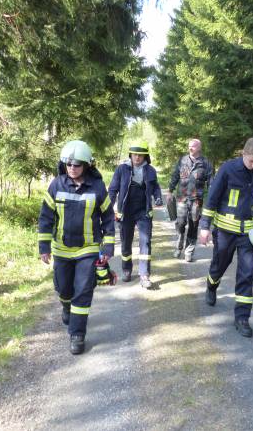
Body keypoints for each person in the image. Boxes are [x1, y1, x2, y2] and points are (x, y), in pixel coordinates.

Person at [38, 140, 115, 355]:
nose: (72, 168)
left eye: (77, 165)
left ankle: (77, 334)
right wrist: (43, 247)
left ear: (87, 166)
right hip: (61, 249)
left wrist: (108, 248)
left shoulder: (98, 188)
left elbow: (108, 218)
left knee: (82, 292)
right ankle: (65, 306)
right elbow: (45, 218)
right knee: (64, 289)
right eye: (68, 164)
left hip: (87, 250)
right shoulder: (56, 185)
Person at [198, 137, 253, 338]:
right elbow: (212, 199)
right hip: (224, 230)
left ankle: (242, 318)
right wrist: (205, 227)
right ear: (243, 154)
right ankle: (211, 285)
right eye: (251, 161)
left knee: (247, 272)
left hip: (248, 234)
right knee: (220, 264)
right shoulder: (227, 169)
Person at [108, 140, 163, 289]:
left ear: (145, 156)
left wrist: (158, 197)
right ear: (130, 154)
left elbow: (155, 186)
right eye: (134, 154)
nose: (137, 157)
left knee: (145, 242)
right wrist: (107, 205)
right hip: (125, 212)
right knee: (126, 242)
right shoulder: (121, 169)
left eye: (140, 155)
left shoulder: (150, 170)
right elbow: (113, 189)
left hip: (143, 211)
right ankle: (126, 269)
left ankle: (144, 274)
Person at [167, 138, 213, 262]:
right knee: (180, 223)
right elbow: (175, 175)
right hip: (182, 197)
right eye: (189, 146)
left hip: (196, 200)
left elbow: (211, 183)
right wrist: (170, 191)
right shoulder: (182, 160)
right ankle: (179, 243)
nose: (190, 148)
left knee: (193, 225)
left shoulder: (206, 163)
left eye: (193, 146)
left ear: (199, 147)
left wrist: (212, 199)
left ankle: (189, 251)